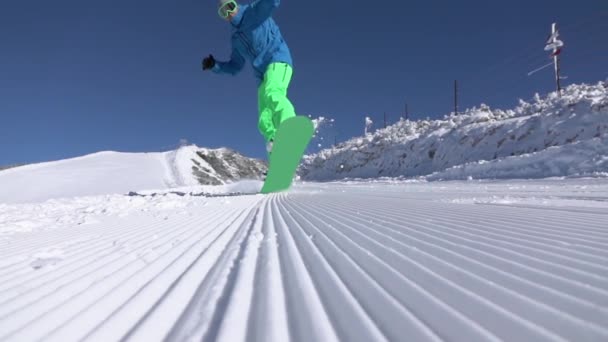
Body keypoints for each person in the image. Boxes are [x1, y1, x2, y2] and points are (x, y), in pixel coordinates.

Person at [202, 0, 296, 156]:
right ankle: (278, 159)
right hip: (262, 76)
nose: (228, 13)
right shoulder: (236, 40)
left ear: (235, 4)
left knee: (272, 92)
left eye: (229, 7)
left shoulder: (254, 12)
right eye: (223, 12)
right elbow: (235, 66)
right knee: (264, 120)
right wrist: (214, 65)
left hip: (278, 60)